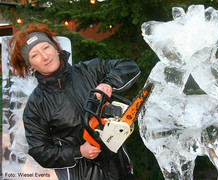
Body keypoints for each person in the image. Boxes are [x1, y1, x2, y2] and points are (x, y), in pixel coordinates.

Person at [8, 23, 140, 180]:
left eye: (46, 48)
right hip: (81, 175)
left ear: (55, 48)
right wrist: (78, 151)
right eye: (34, 55)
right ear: (31, 66)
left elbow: (128, 66)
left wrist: (108, 83)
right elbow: (40, 151)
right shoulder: (36, 105)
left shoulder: (88, 70)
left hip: (119, 167)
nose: (45, 56)